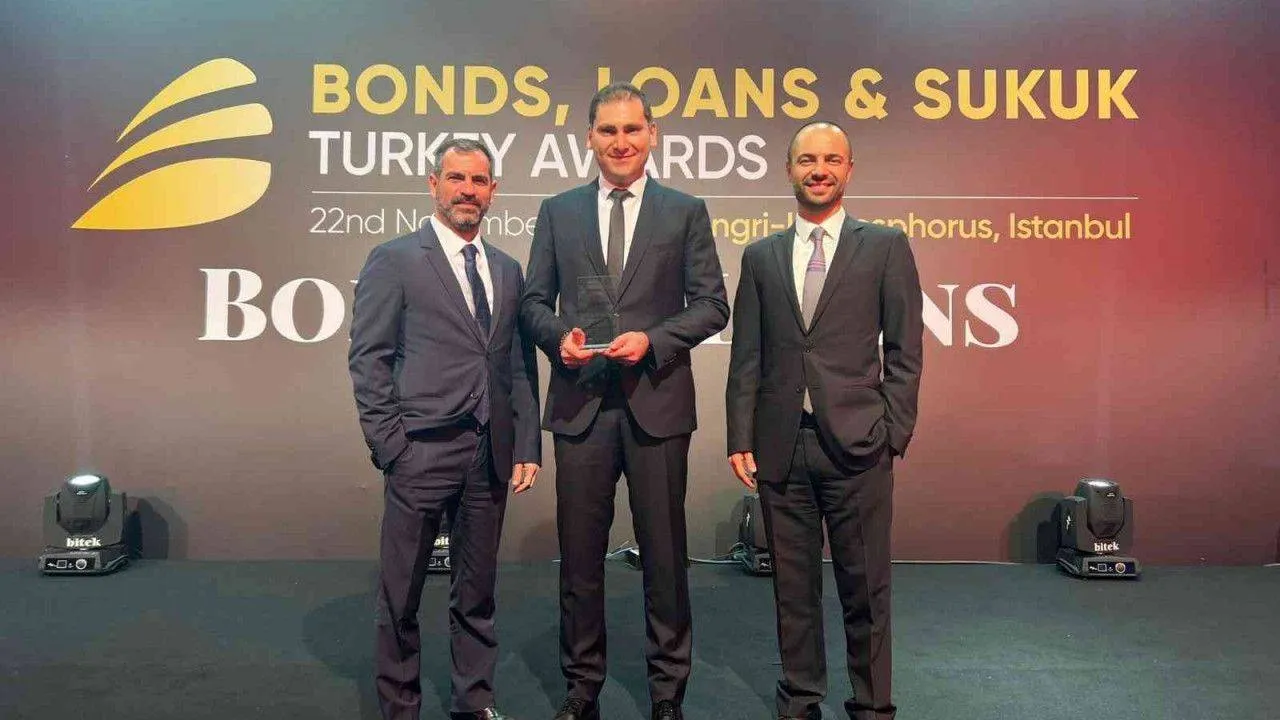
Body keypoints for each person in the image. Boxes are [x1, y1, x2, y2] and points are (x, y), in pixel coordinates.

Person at [520, 82, 729, 720]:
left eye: (631, 129)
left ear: (652, 134)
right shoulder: (557, 211)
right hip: (580, 405)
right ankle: (581, 688)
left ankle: (667, 694)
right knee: (580, 560)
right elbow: (533, 304)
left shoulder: (684, 211)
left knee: (664, 557)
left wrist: (654, 340)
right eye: (608, 130)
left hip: (656, 404)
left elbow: (712, 304)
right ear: (589, 138)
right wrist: (559, 339)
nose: (620, 141)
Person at [725, 121, 923, 720]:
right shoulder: (760, 256)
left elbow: (906, 350)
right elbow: (747, 355)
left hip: (859, 446)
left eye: (831, 160)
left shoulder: (884, 246)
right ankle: (799, 701)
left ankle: (872, 706)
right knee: (793, 590)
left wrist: (893, 431)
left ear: (849, 169)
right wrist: (740, 435)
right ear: (789, 169)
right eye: (807, 160)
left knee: (866, 589)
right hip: (781, 446)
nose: (819, 170)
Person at [349, 137, 542, 720]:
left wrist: (526, 443)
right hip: (420, 451)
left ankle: (473, 702)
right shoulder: (395, 259)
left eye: (479, 181)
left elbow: (516, 365)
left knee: (477, 591)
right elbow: (369, 358)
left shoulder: (507, 269)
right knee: (401, 594)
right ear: (433, 184)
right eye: (456, 178)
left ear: (493, 191)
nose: (467, 190)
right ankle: (400, 707)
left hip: (490, 453)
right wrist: (391, 447)